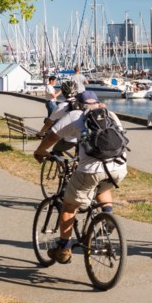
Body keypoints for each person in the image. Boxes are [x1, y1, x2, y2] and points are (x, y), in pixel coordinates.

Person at [33, 90, 128, 264]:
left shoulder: (76, 116)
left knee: (69, 206)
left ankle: (64, 248)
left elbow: (51, 136)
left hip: (92, 169)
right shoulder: (111, 115)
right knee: (103, 186)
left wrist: (40, 151)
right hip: (118, 167)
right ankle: (108, 216)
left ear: (78, 103)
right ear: (98, 102)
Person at [37, 80, 79, 157]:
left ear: (63, 93)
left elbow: (49, 122)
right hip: (84, 138)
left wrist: (41, 132)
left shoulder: (62, 106)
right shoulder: (83, 104)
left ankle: (65, 167)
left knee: (56, 150)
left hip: (70, 139)